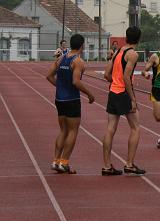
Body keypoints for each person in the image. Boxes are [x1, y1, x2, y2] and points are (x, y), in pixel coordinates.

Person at [46, 34, 95, 174]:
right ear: (82, 46)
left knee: (63, 131)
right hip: (72, 100)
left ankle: (56, 161)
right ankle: (64, 162)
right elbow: (76, 81)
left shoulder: (61, 58)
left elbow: (49, 76)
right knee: (73, 131)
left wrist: (60, 87)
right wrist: (90, 94)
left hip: (59, 99)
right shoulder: (78, 61)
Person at [102, 26, 145, 176]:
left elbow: (106, 74)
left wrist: (114, 81)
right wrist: (133, 99)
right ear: (139, 39)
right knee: (135, 128)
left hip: (113, 92)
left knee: (110, 129)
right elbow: (127, 77)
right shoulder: (132, 54)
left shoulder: (118, 52)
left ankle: (107, 166)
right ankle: (129, 164)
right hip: (123, 92)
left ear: (126, 37)